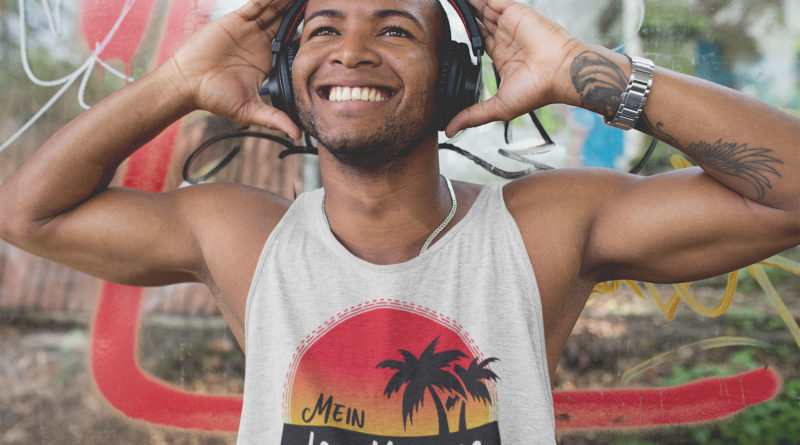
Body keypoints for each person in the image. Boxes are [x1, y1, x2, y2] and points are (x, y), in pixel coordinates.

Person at [1, 0, 798, 442]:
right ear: (285, 81)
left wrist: (583, 76)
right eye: (322, 30)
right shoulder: (241, 236)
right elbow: (27, 213)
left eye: (393, 29)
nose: (351, 50)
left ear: (454, 80)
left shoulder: (547, 227)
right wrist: (178, 78)